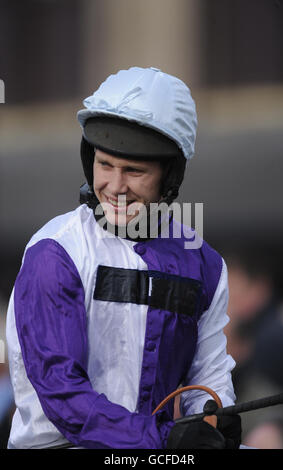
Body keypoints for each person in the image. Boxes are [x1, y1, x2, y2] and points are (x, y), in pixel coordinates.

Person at [6, 66, 240, 449]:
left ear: (170, 176)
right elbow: (64, 395)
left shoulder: (205, 264)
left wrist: (213, 418)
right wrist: (164, 440)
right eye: (104, 165)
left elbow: (209, 376)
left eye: (133, 171)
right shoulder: (55, 252)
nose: (115, 187)